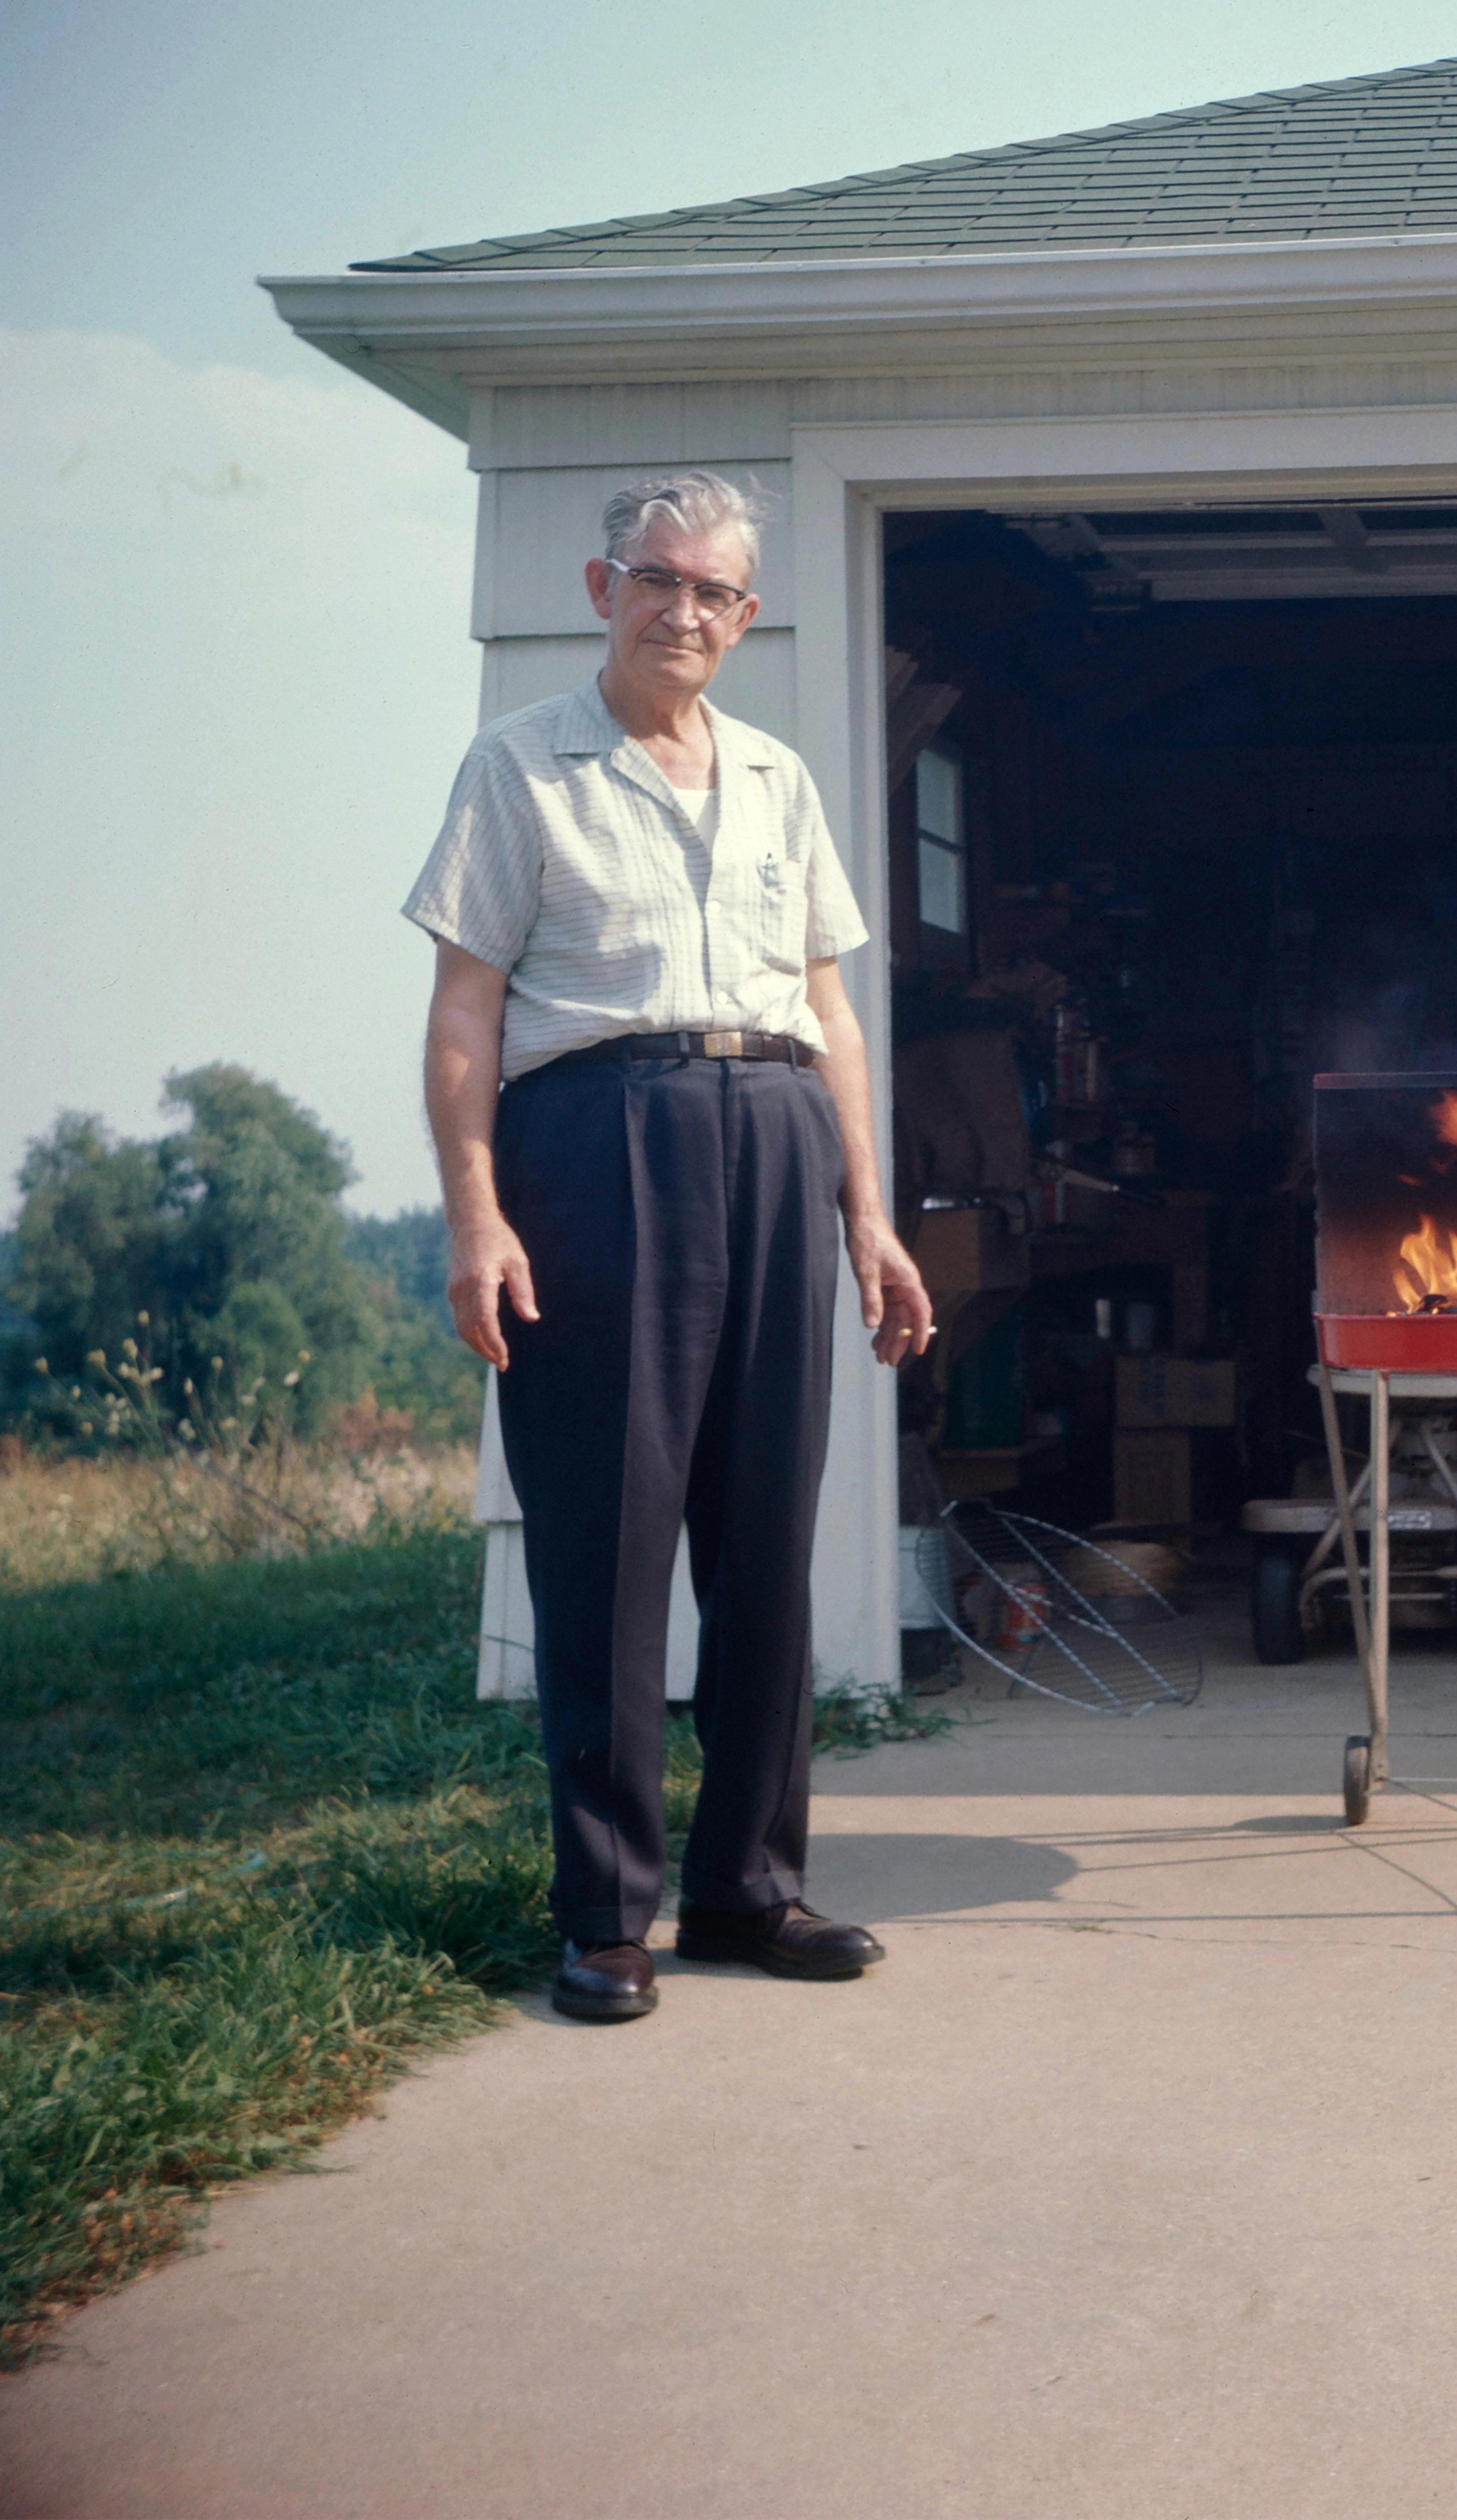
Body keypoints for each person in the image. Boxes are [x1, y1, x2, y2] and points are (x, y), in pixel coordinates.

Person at [405, 469, 932, 2022]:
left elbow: (830, 1013)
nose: (683, 610)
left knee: (767, 1538)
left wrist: (868, 1211)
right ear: (599, 585)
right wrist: (475, 1211)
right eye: (659, 579)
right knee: (610, 1541)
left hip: (774, 1135)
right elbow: (464, 1014)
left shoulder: (778, 778)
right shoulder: (519, 770)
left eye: (714, 592)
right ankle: (606, 1912)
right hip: (596, 1146)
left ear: (747, 616)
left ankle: (749, 1887)